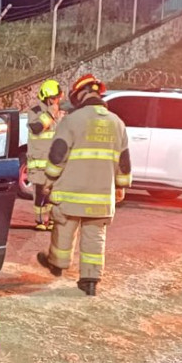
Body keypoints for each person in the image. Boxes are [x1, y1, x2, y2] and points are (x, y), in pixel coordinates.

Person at [36, 74, 131, 296]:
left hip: (71, 193)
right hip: (101, 197)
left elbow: (57, 156)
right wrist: (120, 187)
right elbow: (124, 162)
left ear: (79, 94)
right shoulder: (117, 123)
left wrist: (47, 182)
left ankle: (57, 265)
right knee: (94, 236)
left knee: (64, 228)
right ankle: (89, 281)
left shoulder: (72, 120)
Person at [25, 79, 66, 231]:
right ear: (49, 98)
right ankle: (41, 221)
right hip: (39, 163)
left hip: (53, 162)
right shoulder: (35, 111)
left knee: (53, 194)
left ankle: (52, 221)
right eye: (56, 98)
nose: (57, 101)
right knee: (41, 193)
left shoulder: (57, 114)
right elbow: (36, 128)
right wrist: (50, 113)